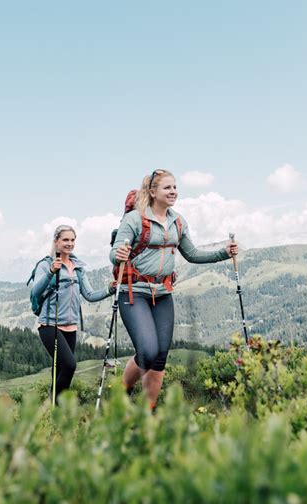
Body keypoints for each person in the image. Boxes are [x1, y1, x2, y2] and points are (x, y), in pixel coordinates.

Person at [110, 169, 238, 411]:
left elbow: (192, 254)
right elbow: (114, 252)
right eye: (167, 188)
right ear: (152, 191)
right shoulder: (134, 219)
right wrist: (118, 255)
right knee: (147, 351)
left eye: (175, 187)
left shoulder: (177, 221)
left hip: (163, 293)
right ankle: (122, 391)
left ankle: (148, 410)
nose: (173, 192)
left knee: (159, 357)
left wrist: (224, 252)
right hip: (134, 291)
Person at [31, 224, 114, 402]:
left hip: (71, 327)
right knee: (70, 366)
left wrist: (109, 289)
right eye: (65, 240)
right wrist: (51, 272)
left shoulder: (77, 267)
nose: (70, 243)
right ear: (56, 241)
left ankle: (52, 412)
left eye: (72, 240)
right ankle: (59, 408)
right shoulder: (46, 265)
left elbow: (90, 295)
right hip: (49, 325)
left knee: (61, 370)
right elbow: (35, 292)